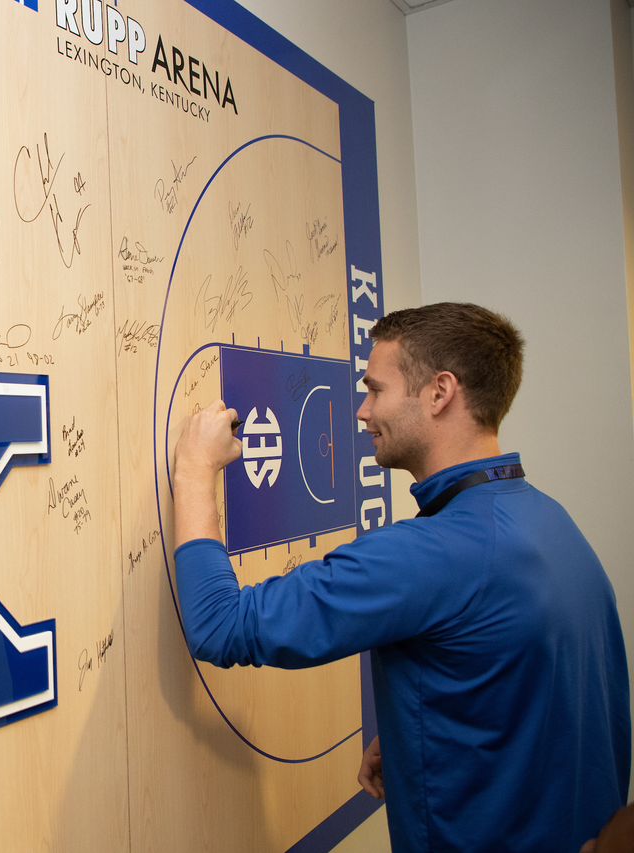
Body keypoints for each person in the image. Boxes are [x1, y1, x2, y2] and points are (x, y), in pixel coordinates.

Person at [172, 302, 630, 853]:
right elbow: (540, 683)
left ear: (440, 392)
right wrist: (429, 733)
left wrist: (195, 471)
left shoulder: (432, 554)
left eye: (375, 389)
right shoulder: (547, 518)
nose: (362, 412)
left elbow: (220, 626)